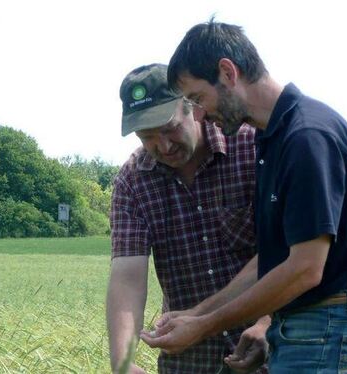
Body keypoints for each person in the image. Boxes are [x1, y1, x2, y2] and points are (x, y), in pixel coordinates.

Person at [140, 18, 347, 373]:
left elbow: (305, 269)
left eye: (197, 98)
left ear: (227, 72)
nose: (202, 115)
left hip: (328, 329)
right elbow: (275, 259)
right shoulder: (273, 140)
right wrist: (197, 313)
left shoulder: (306, 137)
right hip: (310, 329)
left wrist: (205, 326)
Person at [106, 63, 268, 373]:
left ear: (191, 107)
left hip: (266, 351)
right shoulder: (133, 181)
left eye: (169, 128)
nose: (163, 145)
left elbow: (285, 252)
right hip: (188, 360)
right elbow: (127, 277)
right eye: (147, 136)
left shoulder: (250, 147)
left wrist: (266, 324)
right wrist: (123, 361)